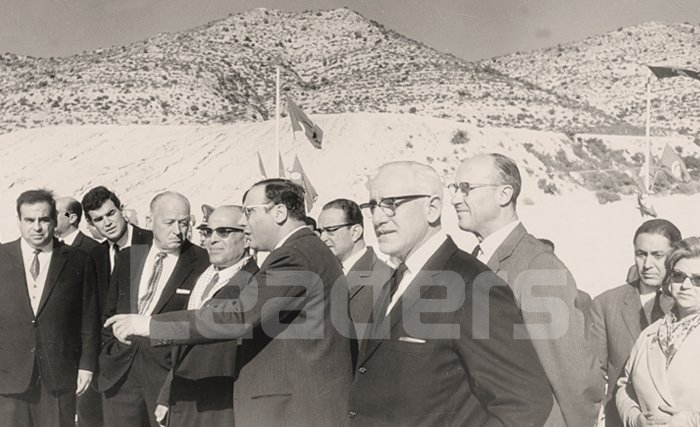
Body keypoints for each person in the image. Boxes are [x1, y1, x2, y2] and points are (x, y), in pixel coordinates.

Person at [105, 179, 353, 427]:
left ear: (279, 213)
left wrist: (150, 325)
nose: (244, 222)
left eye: (249, 212)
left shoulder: (293, 255)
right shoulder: (306, 249)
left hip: (297, 408)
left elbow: (237, 317)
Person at [348, 161, 552, 426]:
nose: (377, 218)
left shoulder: (473, 286)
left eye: (391, 204)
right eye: (373, 206)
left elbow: (526, 402)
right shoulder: (398, 278)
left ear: (432, 208)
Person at [450, 153, 603, 427]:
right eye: (455, 188)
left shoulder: (537, 266)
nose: (455, 199)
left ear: (504, 194)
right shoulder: (477, 258)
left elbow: (572, 373)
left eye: (466, 189)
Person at [98, 191, 209, 427]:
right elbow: (109, 312)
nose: (178, 231)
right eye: (169, 222)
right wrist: (109, 351)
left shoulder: (202, 262)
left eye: (184, 223)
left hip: (167, 380)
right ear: (150, 222)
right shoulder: (128, 257)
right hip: (120, 376)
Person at [0, 189, 99, 427]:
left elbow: (89, 317)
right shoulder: (1, 257)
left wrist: (86, 366)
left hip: (59, 376)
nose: (37, 227)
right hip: (9, 376)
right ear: (19, 222)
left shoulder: (78, 260)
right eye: (30, 220)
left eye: (44, 219)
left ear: (54, 221)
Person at [155, 206, 259, 427]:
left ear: (246, 238)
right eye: (207, 232)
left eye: (224, 232)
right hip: (184, 396)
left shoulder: (253, 283)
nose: (212, 239)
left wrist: (150, 327)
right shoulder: (205, 276)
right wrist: (166, 394)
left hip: (219, 406)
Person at [591, 219, 682, 427]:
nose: (647, 264)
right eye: (641, 254)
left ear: (675, 256)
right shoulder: (606, 304)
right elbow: (595, 374)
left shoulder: (689, 303)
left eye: (658, 255)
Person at [616, 236, 700, 426]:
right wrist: (635, 418)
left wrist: (690, 421)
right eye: (679, 276)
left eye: (698, 280)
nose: (686, 285)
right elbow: (625, 388)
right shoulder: (649, 334)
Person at [318, 198, 392, 331]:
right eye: (321, 231)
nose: (323, 238)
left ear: (355, 232)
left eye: (330, 230)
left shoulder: (386, 278)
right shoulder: (323, 273)